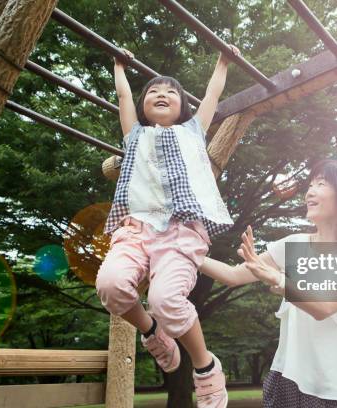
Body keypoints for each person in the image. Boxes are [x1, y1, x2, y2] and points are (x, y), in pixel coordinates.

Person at [96, 46, 240, 408]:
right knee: (110, 286)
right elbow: (123, 95)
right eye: (154, 92)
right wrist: (119, 66)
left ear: (183, 108)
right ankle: (153, 333)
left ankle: (205, 366)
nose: (161, 94)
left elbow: (212, 95)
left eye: (171, 92)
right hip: (135, 229)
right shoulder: (134, 136)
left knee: (165, 300)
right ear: (144, 106)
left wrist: (222, 61)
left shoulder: (193, 131)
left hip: (179, 232)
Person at [200, 159, 337, 407]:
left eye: (321, 183)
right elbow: (233, 275)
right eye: (310, 184)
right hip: (291, 377)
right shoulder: (293, 244)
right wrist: (182, 251)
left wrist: (279, 279)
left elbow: (325, 307)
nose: (310, 191)